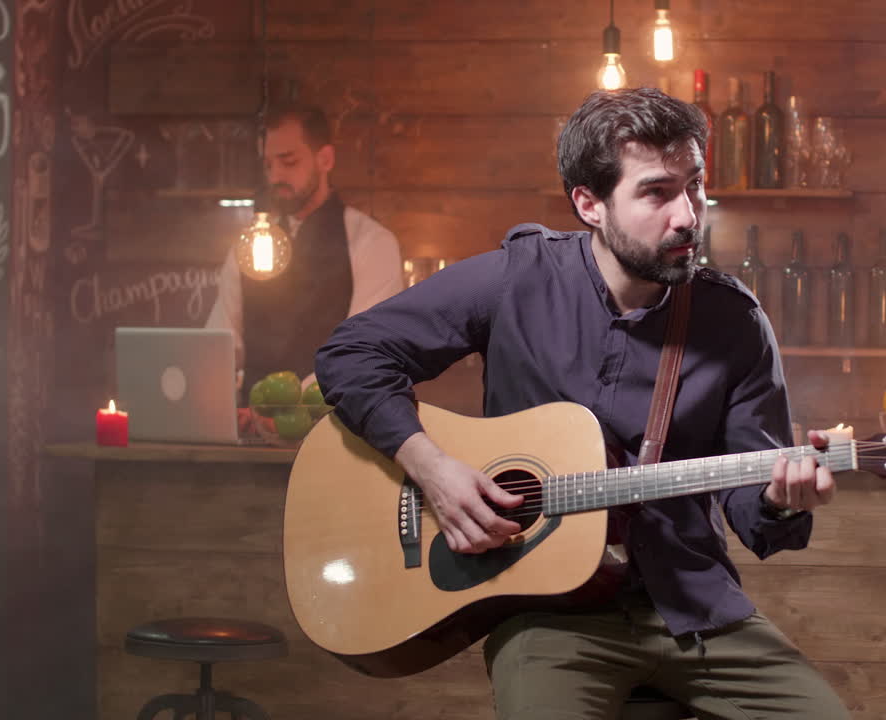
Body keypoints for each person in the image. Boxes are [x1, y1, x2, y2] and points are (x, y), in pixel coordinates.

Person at [315, 87, 850, 720]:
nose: (688, 215)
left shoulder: (734, 321)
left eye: (695, 185)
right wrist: (431, 468)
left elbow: (755, 515)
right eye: (656, 192)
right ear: (590, 204)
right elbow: (350, 355)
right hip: (550, 617)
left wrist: (780, 499)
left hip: (694, 607)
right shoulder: (516, 279)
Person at [206, 104, 404, 388]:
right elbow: (219, 346)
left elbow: (364, 351)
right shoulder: (247, 249)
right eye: (268, 165)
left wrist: (296, 398)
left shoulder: (372, 243)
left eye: (288, 162)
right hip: (252, 413)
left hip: (333, 413)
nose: (275, 177)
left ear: (325, 159)